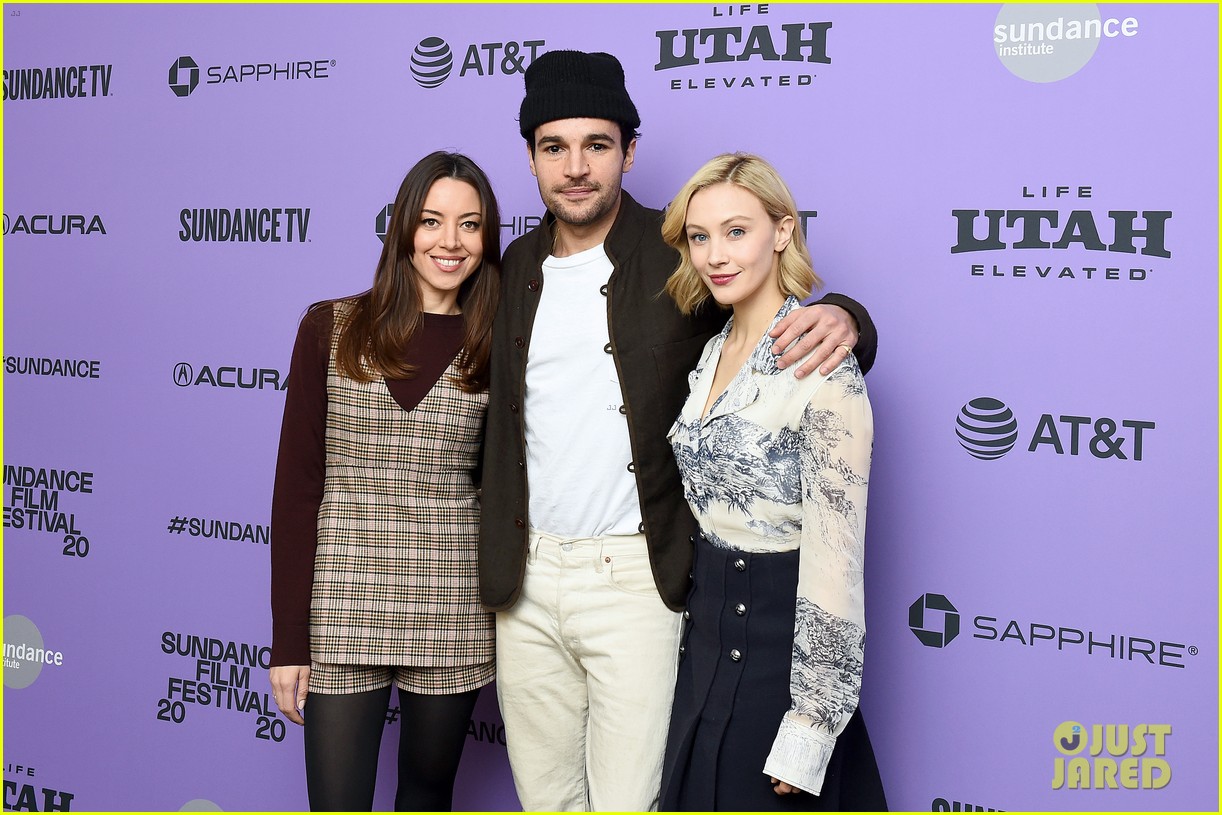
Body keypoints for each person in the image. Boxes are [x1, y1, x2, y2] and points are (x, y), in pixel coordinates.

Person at [478, 50, 878, 811]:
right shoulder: (510, 267)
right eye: (554, 147)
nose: (575, 167)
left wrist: (848, 318)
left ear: (629, 152)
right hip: (525, 582)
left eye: (597, 145)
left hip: (636, 577)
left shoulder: (679, 253)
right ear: (530, 158)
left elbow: (767, 305)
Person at [268, 151, 502, 812]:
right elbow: (296, 490)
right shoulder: (331, 326)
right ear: (403, 228)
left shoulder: (499, 341)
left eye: (469, 224)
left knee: (427, 798)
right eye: (431, 221)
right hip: (340, 604)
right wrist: (289, 640)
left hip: (452, 606)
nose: (449, 241)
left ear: (487, 236)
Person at [657, 153, 886, 810]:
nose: (715, 255)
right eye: (699, 236)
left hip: (780, 653)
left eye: (737, 231)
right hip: (702, 642)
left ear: (782, 230)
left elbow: (836, 558)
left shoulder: (825, 366)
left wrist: (812, 723)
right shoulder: (713, 349)